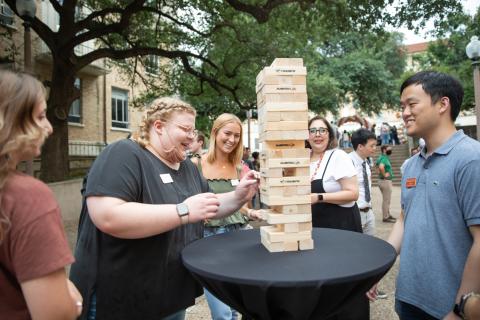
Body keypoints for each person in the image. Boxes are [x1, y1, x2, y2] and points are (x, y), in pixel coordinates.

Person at [69, 97, 259, 320]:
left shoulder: (188, 167)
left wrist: (238, 196)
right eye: (185, 129)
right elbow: (107, 215)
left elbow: (208, 206)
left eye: (193, 130)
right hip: (120, 298)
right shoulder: (124, 154)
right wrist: (183, 211)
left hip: (170, 297)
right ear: (158, 126)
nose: (192, 136)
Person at [367, 71, 480, 319]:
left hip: (448, 307)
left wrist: (459, 308)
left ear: (443, 104)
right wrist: (377, 272)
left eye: (412, 104)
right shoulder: (410, 165)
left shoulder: (472, 159)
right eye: (402, 106)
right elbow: (404, 220)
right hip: (409, 298)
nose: (404, 112)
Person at [0, 70, 82, 319]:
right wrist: (73, 300)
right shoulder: (26, 197)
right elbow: (54, 314)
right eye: (41, 116)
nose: (49, 128)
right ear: (11, 121)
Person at [195, 113, 262, 320]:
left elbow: (238, 202)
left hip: (238, 236)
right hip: (209, 238)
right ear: (215, 132)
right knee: (222, 312)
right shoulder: (195, 165)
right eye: (227, 133)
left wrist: (250, 211)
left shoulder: (240, 166)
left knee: (237, 304)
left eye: (236, 136)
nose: (231, 140)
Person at [308, 116, 368, 320]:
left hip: (342, 229)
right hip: (315, 230)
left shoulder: (338, 156)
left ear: (330, 134)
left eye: (322, 130)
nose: (317, 135)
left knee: (345, 284)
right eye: (313, 130)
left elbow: (353, 193)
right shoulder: (302, 159)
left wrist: (319, 197)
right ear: (307, 135)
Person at [376, 145, 396, 223]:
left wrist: (379, 173)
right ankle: (385, 217)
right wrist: (384, 175)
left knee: (386, 200)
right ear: (384, 150)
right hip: (385, 181)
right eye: (389, 149)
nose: (390, 150)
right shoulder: (384, 158)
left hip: (382, 181)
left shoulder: (380, 157)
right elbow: (381, 167)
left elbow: (376, 166)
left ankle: (387, 214)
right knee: (386, 200)